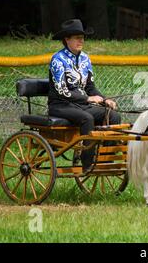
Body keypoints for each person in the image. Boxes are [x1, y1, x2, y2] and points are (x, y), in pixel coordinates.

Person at [48, 19, 121, 173]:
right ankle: (88, 163)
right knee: (87, 118)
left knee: (113, 115)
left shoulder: (85, 59)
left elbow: (90, 87)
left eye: (82, 37)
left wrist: (105, 99)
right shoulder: (57, 60)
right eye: (76, 37)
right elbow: (62, 90)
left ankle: (106, 159)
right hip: (61, 105)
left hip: (80, 105)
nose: (81, 40)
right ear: (67, 39)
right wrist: (88, 98)